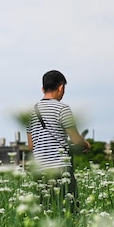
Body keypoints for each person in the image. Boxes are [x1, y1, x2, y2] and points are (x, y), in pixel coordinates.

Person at [26, 70, 90, 211]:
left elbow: (31, 146)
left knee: (46, 211)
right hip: (61, 169)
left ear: (43, 89)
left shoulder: (31, 112)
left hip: (40, 170)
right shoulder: (63, 108)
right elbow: (75, 138)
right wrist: (85, 144)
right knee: (69, 210)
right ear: (61, 87)